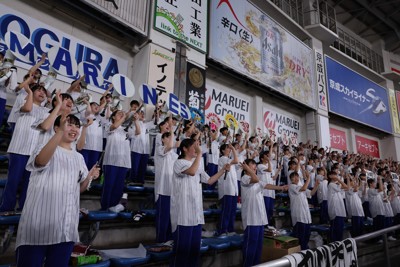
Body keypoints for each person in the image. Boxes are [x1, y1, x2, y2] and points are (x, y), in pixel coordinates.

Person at [15, 114, 100, 267]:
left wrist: (89, 177)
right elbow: (40, 162)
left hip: (66, 228)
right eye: (69, 125)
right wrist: (60, 132)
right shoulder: (44, 147)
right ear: (57, 128)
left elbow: (78, 189)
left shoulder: (79, 158)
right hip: (38, 227)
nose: (74, 129)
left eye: (76, 126)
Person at [170, 139, 229, 267]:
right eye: (194, 146)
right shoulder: (179, 163)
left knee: (194, 252)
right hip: (183, 215)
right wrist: (200, 154)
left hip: (196, 214)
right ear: (185, 148)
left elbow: (210, 181)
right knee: (182, 252)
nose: (197, 148)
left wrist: (223, 170)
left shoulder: (196, 164)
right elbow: (191, 172)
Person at [0, 80, 49, 212]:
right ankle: (6, 208)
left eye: (44, 92)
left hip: (34, 153)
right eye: (39, 90)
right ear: (31, 92)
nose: (42, 93)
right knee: (13, 182)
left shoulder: (45, 111)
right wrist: (28, 92)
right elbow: (28, 108)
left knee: (28, 184)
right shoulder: (23, 101)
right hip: (19, 149)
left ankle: (23, 209)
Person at [240, 159, 288, 267]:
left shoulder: (255, 179)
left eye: (255, 165)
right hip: (251, 219)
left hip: (260, 218)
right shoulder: (245, 178)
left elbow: (266, 185)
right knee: (250, 246)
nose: (255, 167)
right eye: (252, 165)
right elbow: (256, 179)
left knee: (258, 246)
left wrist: (281, 188)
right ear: (246, 167)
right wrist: (248, 170)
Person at [101, 110, 131, 210]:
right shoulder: (108, 125)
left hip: (124, 162)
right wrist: (124, 116)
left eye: (122, 114)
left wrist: (135, 120)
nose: (122, 114)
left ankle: (113, 208)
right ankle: (105, 208)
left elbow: (138, 132)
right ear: (113, 117)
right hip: (111, 161)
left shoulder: (125, 129)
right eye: (119, 113)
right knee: (109, 186)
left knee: (118, 188)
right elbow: (114, 126)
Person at [154, 128, 178, 242]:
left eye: (171, 136)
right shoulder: (160, 149)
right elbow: (169, 147)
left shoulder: (175, 155)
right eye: (168, 137)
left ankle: (169, 240)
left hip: (173, 190)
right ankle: (160, 241)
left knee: (171, 218)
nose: (170, 139)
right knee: (162, 219)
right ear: (163, 139)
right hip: (162, 190)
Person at [288, 170, 319, 250]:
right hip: (298, 216)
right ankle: (300, 254)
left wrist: (316, 186)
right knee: (300, 237)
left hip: (306, 216)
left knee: (306, 235)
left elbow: (311, 193)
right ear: (291, 179)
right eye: (293, 177)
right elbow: (304, 188)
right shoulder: (292, 186)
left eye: (297, 176)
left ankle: (305, 252)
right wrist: (308, 178)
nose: (296, 178)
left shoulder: (300, 186)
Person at [217, 143, 239, 235]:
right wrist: (234, 148)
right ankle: (222, 230)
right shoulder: (222, 159)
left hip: (233, 189)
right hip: (227, 189)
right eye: (227, 148)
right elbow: (236, 160)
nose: (229, 149)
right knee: (226, 210)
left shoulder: (229, 160)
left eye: (230, 148)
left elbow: (237, 163)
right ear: (222, 151)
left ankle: (230, 229)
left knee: (232, 210)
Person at [327, 170, 348, 242]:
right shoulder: (331, 184)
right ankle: (334, 244)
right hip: (335, 210)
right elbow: (345, 186)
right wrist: (339, 179)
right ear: (330, 176)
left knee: (340, 229)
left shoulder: (336, 184)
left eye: (336, 174)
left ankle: (339, 244)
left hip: (340, 209)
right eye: (334, 174)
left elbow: (347, 187)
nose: (336, 176)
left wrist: (340, 180)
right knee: (336, 229)